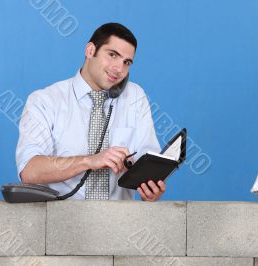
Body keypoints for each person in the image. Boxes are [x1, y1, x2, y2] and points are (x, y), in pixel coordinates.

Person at [16, 23, 165, 201]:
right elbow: (29, 170)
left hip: (120, 221)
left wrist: (148, 185)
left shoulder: (135, 96)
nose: (119, 69)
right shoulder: (45, 100)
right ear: (90, 50)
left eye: (127, 62)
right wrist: (90, 161)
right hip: (61, 220)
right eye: (112, 55)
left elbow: (147, 159)